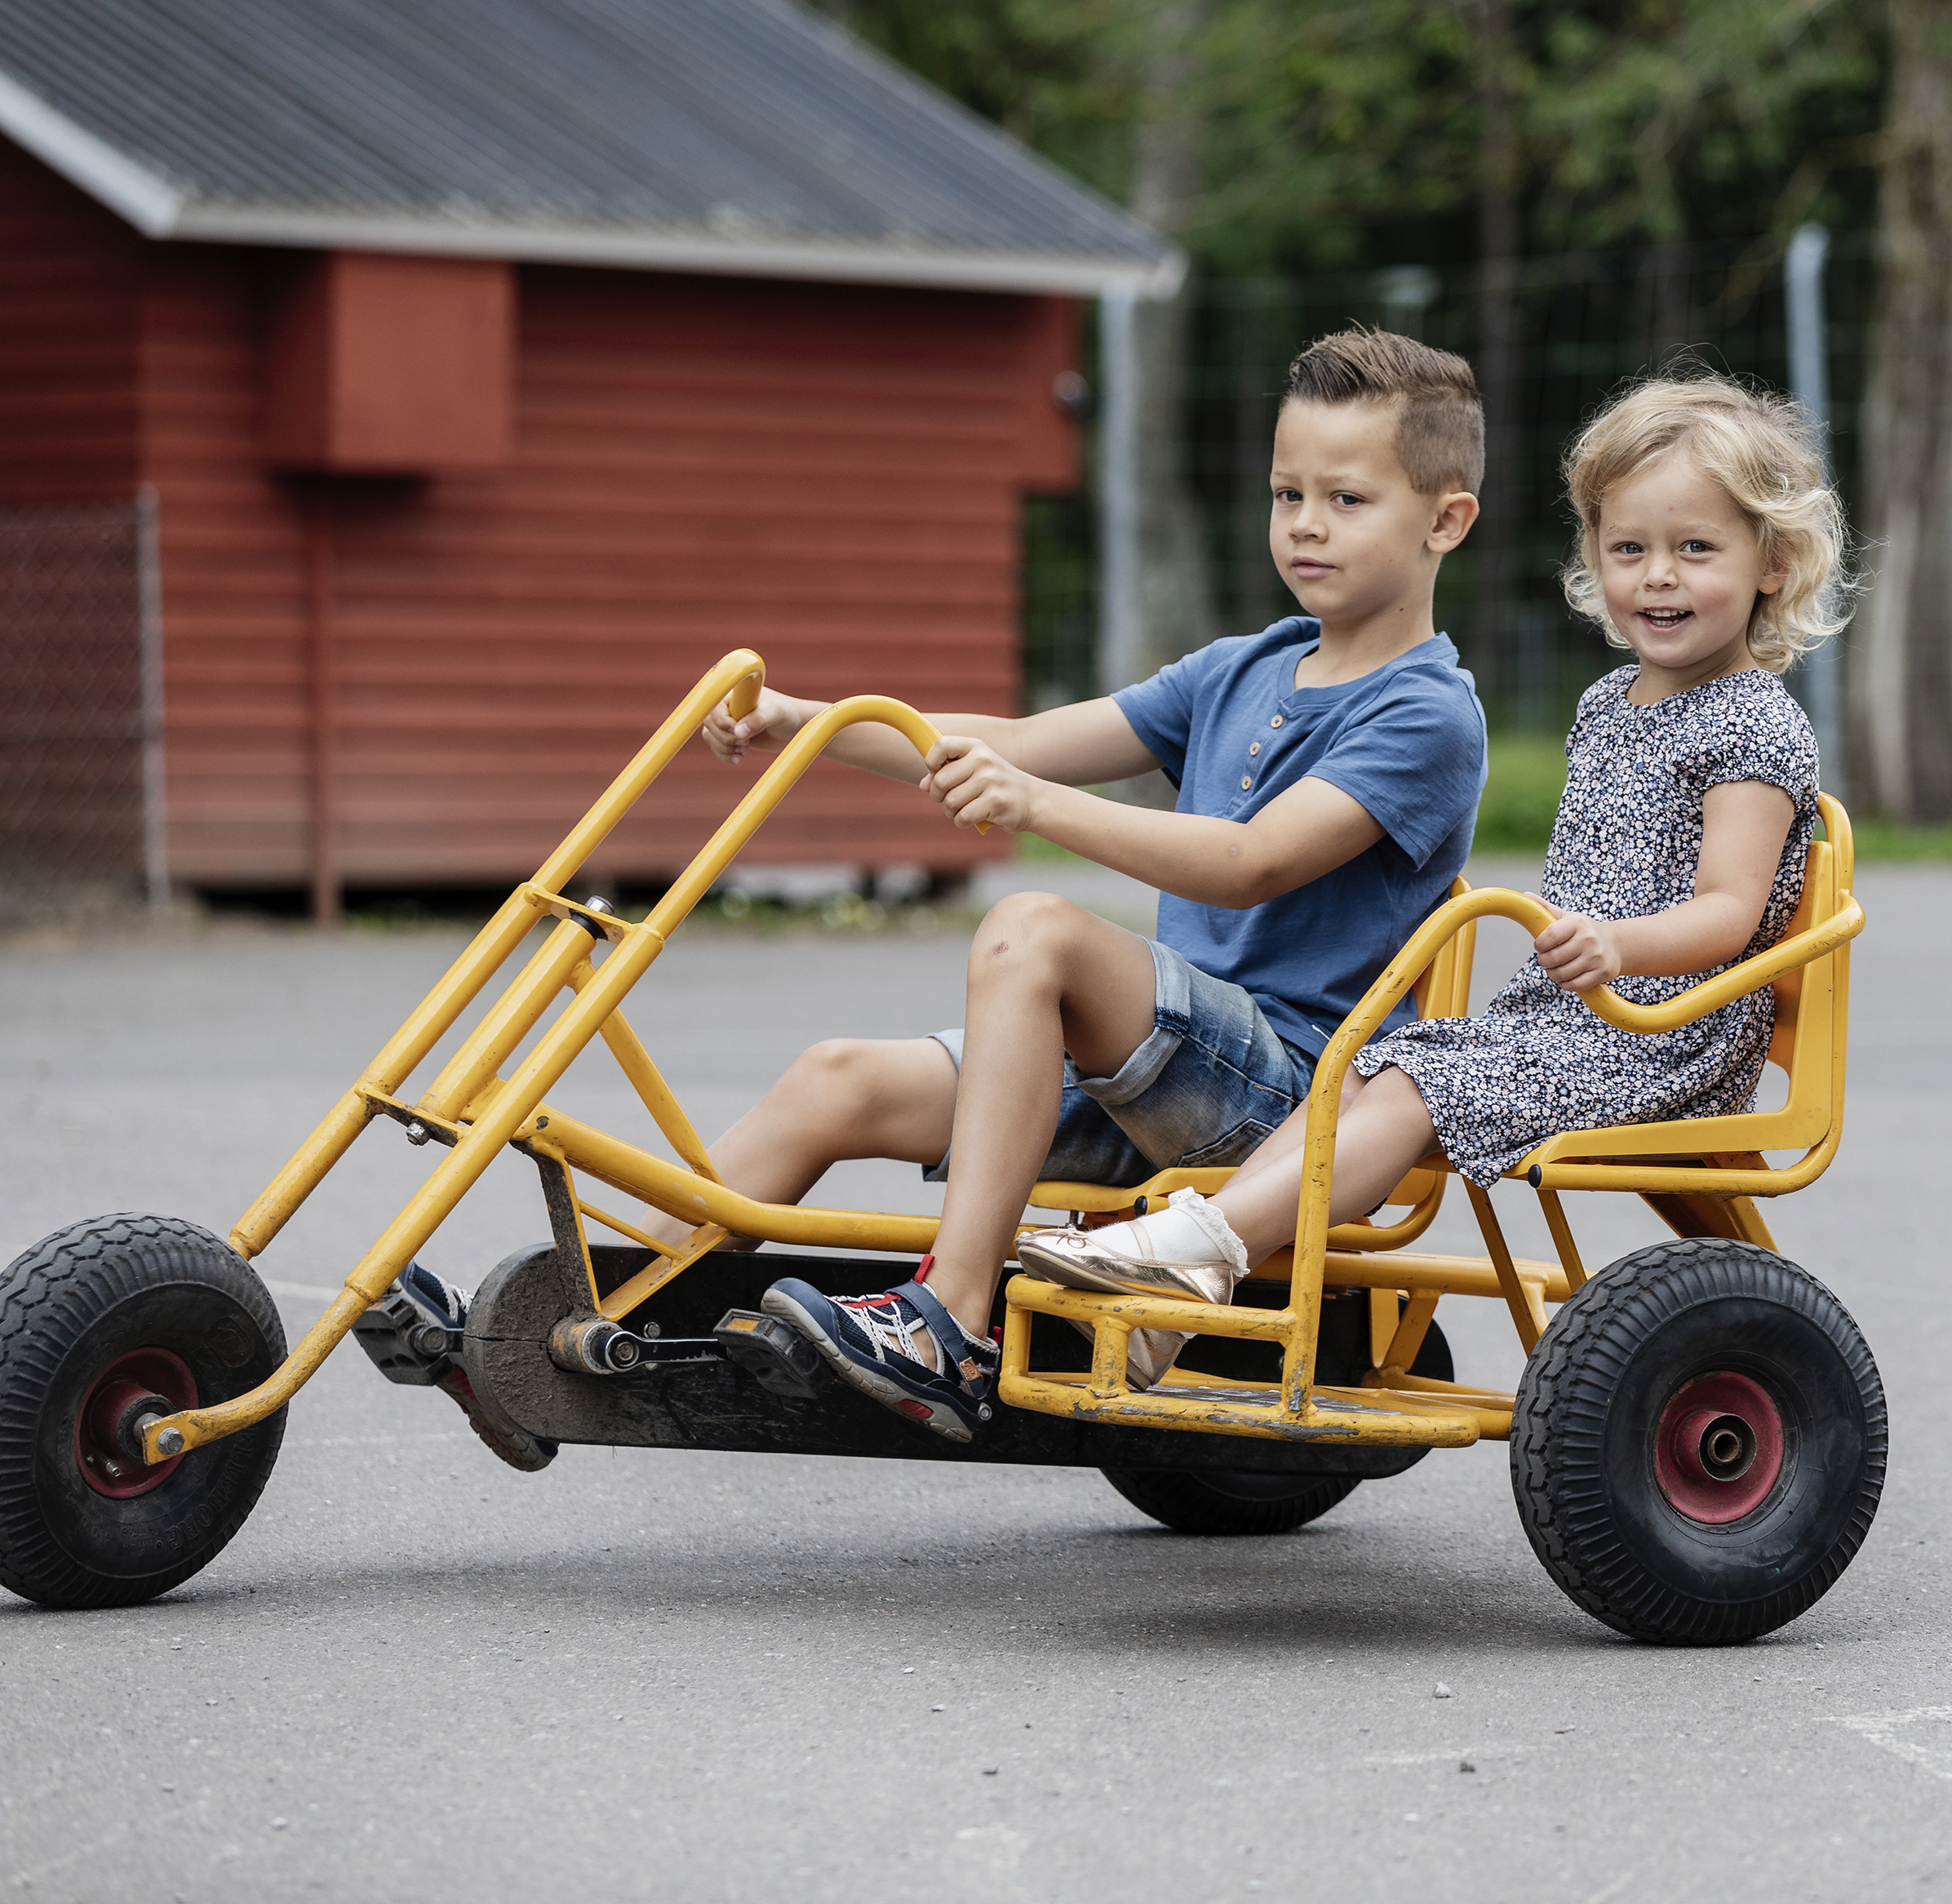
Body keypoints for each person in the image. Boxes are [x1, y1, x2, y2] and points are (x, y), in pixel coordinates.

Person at [653, 330, 1491, 1444]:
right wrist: (808, 724)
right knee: (833, 1079)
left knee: (1032, 933)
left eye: (1346, 498)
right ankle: (607, 1317)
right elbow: (1018, 737)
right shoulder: (1241, 665)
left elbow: (1252, 865)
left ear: (1445, 520)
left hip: (1287, 1105)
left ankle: (946, 1324)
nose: (1304, 523)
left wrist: (1033, 808)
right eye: (1287, 492)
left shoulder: (1427, 713)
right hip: (1152, 1074)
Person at [1011, 371, 1844, 1336]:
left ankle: (1203, 1248)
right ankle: (1196, 1259)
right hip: (1569, 1021)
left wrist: (1619, 948)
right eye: (1628, 548)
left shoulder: (1750, 725)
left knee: (1417, 1081)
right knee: (1366, 1065)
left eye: (1694, 549)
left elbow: (1729, 911)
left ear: (1771, 562)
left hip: (1661, 1034)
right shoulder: (1608, 703)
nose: (1656, 576)